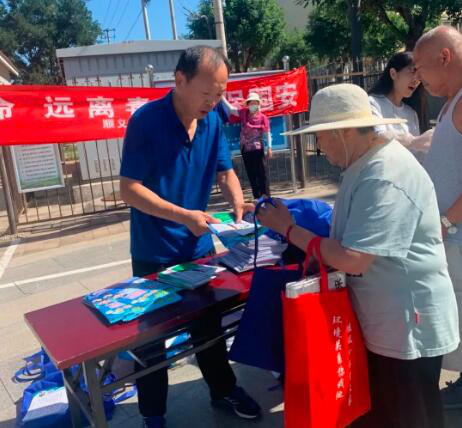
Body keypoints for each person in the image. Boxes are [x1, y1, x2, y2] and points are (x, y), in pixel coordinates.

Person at [257, 83, 459, 428]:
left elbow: (353, 258)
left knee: (409, 416)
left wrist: (289, 229)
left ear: (346, 132)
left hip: (406, 325)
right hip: (386, 320)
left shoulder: (385, 173)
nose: (319, 146)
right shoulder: (366, 164)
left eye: (321, 136)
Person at [120, 45, 260, 428]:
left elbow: (224, 171)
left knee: (208, 326)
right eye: (206, 93)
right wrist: (183, 216)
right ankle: (152, 413)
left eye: (219, 94)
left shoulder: (211, 120)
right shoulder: (146, 121)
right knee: (152, 337)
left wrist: (237, 202)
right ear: (179, 80)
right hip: (153, 249)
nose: (213, 102)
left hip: (198, 245)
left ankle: (223, 389)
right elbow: (129, 189)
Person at [414, 25, 462, 409]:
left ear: (444, 57)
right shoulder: (451, 102)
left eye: (420, 67)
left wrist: (447, 222)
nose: (417, 77)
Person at [368, 51, 433, 162]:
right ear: (393, 74)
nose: (416, 80)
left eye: (419, 75)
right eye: (412, 72)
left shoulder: (411, 113)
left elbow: (417, 155)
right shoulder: (372, 103)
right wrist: (413, 141)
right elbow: (377, 138)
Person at [221, 93, 272, 200]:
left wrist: (269, 147)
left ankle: (266, 197)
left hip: (258, 149)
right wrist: (221, 97)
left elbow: (267, 133)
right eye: (251, 103)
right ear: (248, 105)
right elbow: (231, 109)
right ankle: (257, 197)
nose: (254, 105)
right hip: (246, 149)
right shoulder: (243, 113)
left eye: (255, 103)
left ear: (259, 104)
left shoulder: (263, 118)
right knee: (251, 173)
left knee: (262, 173)